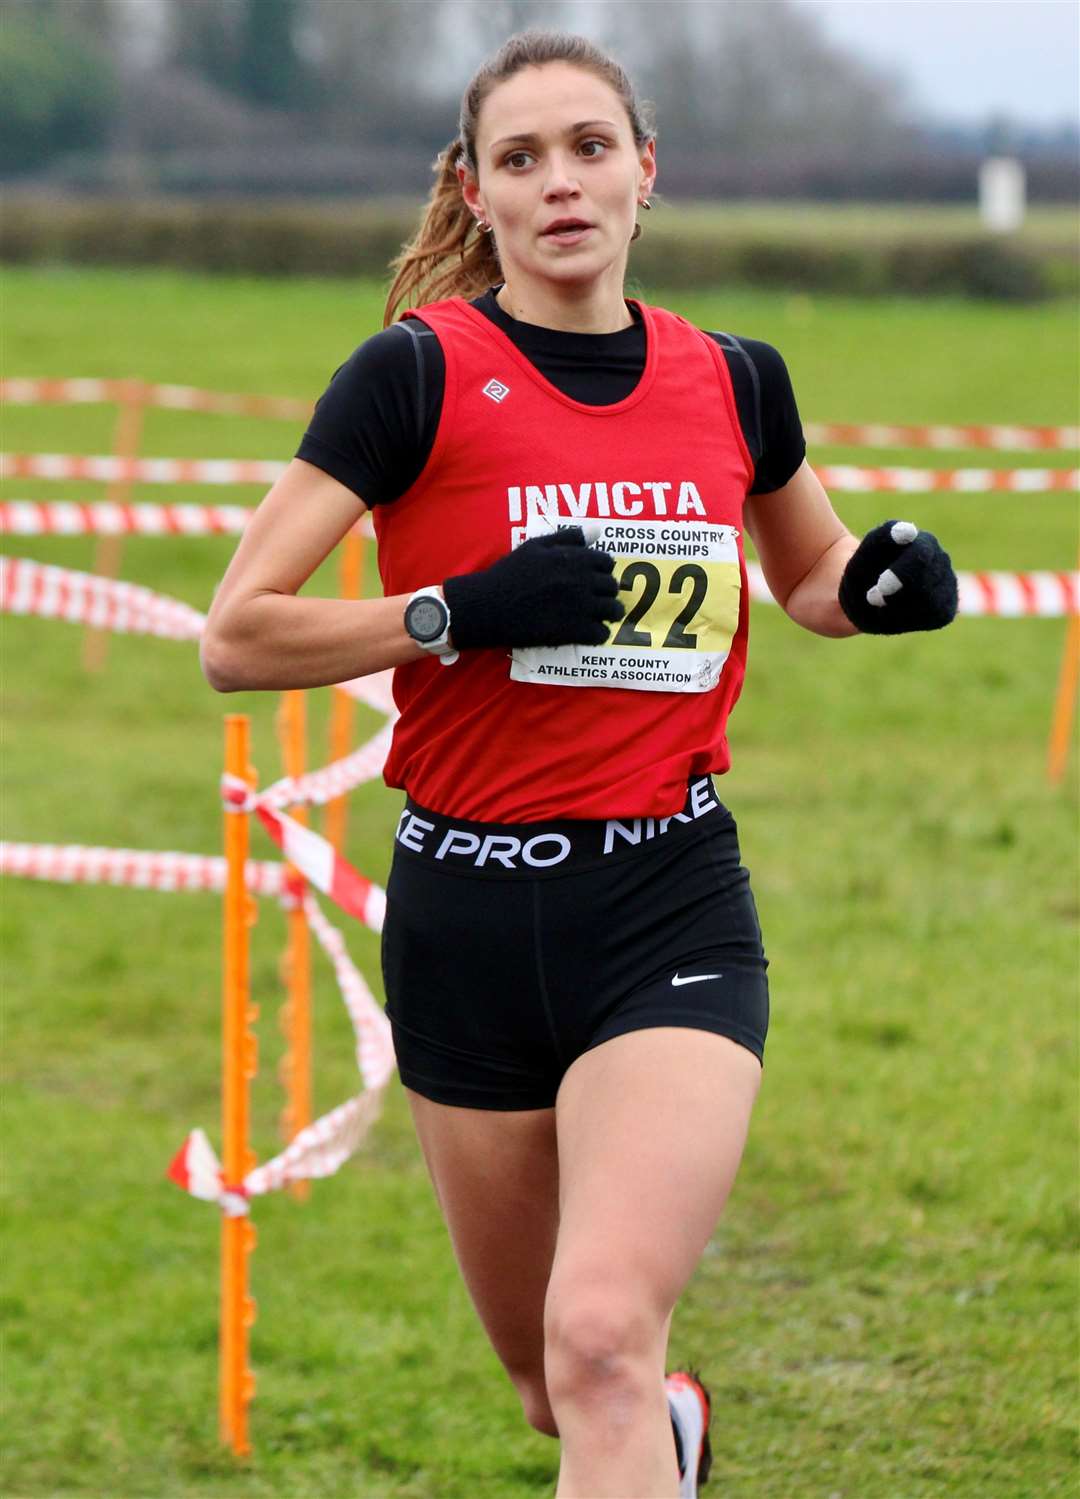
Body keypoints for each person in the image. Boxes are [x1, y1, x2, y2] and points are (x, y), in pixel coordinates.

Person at [200, 29, 957, 1499]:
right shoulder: (412, 378)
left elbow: (807, 583)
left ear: (645, 172)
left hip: (664, 902)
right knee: (559, 1391)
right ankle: (662, 1435)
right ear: (474, 192)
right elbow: (239, 636)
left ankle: (638, 1403)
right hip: (463, 912)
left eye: (590, 148)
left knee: (602, 1334)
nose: (561, 183)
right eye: (523, 158)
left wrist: (879, 588)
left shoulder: (736, 379)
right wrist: (460, 613)